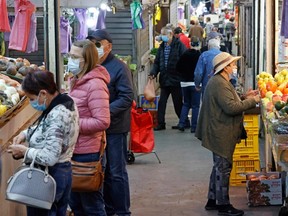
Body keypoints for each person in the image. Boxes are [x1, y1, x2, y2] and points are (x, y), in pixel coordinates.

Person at [195, 52, 260, 216]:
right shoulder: (219, 83)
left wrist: (246, 96)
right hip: (219, 131)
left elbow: (230, 100)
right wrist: (253, 101)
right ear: (225, 68)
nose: (234, 67)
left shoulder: (221, 82)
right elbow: (231, 108)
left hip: (218, 129)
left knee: (218, 167)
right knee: (223, 169)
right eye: (232, 64)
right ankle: (223, 206)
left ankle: (212, 200)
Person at [7, 70, 79, 216]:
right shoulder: (64, 101)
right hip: (61, 172)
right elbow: (48, 128)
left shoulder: (58, 114)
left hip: (51, 175)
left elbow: (50, 157)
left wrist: (24, 151)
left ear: (43, 93)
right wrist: (26, 133)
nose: (31, 102)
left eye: (31, 98)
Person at [86, 29, 133, 216]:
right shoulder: (92, 66)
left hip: (115, 128)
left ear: (108, 46)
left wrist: (104, 112)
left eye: (98, 43)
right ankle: (109, 209)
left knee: (116, 172)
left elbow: (127, 96)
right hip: (98, 129)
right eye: (92, 44)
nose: (95, 47)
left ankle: (122, 211)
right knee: (102, 171)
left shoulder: (119, 67)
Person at [68, 39, 111, 216]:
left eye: (74, 57)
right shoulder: (75, 80)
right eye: (69, 55)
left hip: (88, 154)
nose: (70, 60)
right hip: (74, 150)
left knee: (92, 207)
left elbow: (102, 121)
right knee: (77, 206)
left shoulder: (95, 84)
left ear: (87, 60)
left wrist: (73, 124)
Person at [149, 25, 187, 130]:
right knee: (162, 102)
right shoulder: (162, 47)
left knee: (178, 103)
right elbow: (157, 63)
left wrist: (182, 74)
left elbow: (185, 61)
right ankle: (161, 123)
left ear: (170, 34)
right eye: (162, 34)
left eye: (164, 34)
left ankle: (183, 121)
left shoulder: (179, 45)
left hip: (176, 80)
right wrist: (153, 73)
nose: (162, 36)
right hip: (165, 79)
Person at [175, 36, 201, 133]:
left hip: (184, 83)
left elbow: (178, 67)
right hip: (195, 84)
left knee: (186, 104)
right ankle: (194, 127)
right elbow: (200, 70)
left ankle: (182, 123)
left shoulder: (184, 54)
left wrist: (183, 75)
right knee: (195, 106)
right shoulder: (199, 55)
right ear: (198, 44)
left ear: (190, 44)